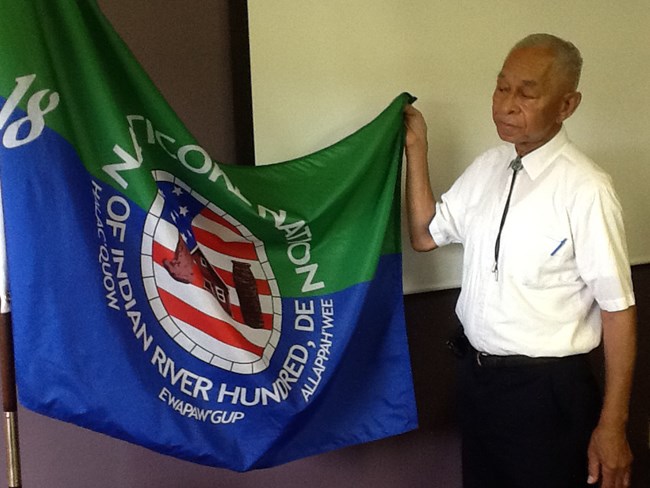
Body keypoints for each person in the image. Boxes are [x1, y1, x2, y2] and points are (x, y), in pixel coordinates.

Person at [404, 33, 637, 488]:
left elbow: (618, 309)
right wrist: (418, 149)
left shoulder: (586, 189)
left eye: (527, 93)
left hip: (547, 394)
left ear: (567, 105)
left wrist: (613, 425)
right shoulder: (488, 167)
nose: (506, 104)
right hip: (477, 382)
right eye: (501, 87)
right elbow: (424, 235)